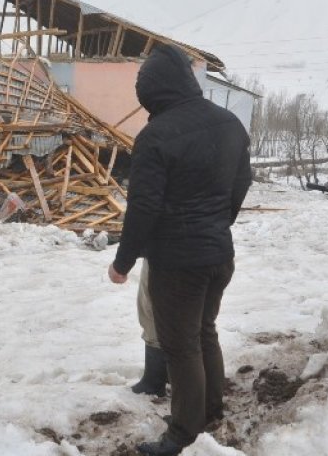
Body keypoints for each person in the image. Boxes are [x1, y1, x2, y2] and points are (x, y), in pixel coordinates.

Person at [108, 45, 252, 456]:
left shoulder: (156, 136)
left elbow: (144, 207)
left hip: (178, 262)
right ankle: (210, 409)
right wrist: (218, 221)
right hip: (219, 254)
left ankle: (183, 435)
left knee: (181, 344)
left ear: (153, 91)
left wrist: (123, 262)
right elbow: (242, 182)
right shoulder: (230, 124)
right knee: (205, 332)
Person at [131, 262, 169, 397]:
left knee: (151, 310)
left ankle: (154, 380)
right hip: (209, 252)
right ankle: (173, 374)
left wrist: (122, 263)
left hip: (163, 253)